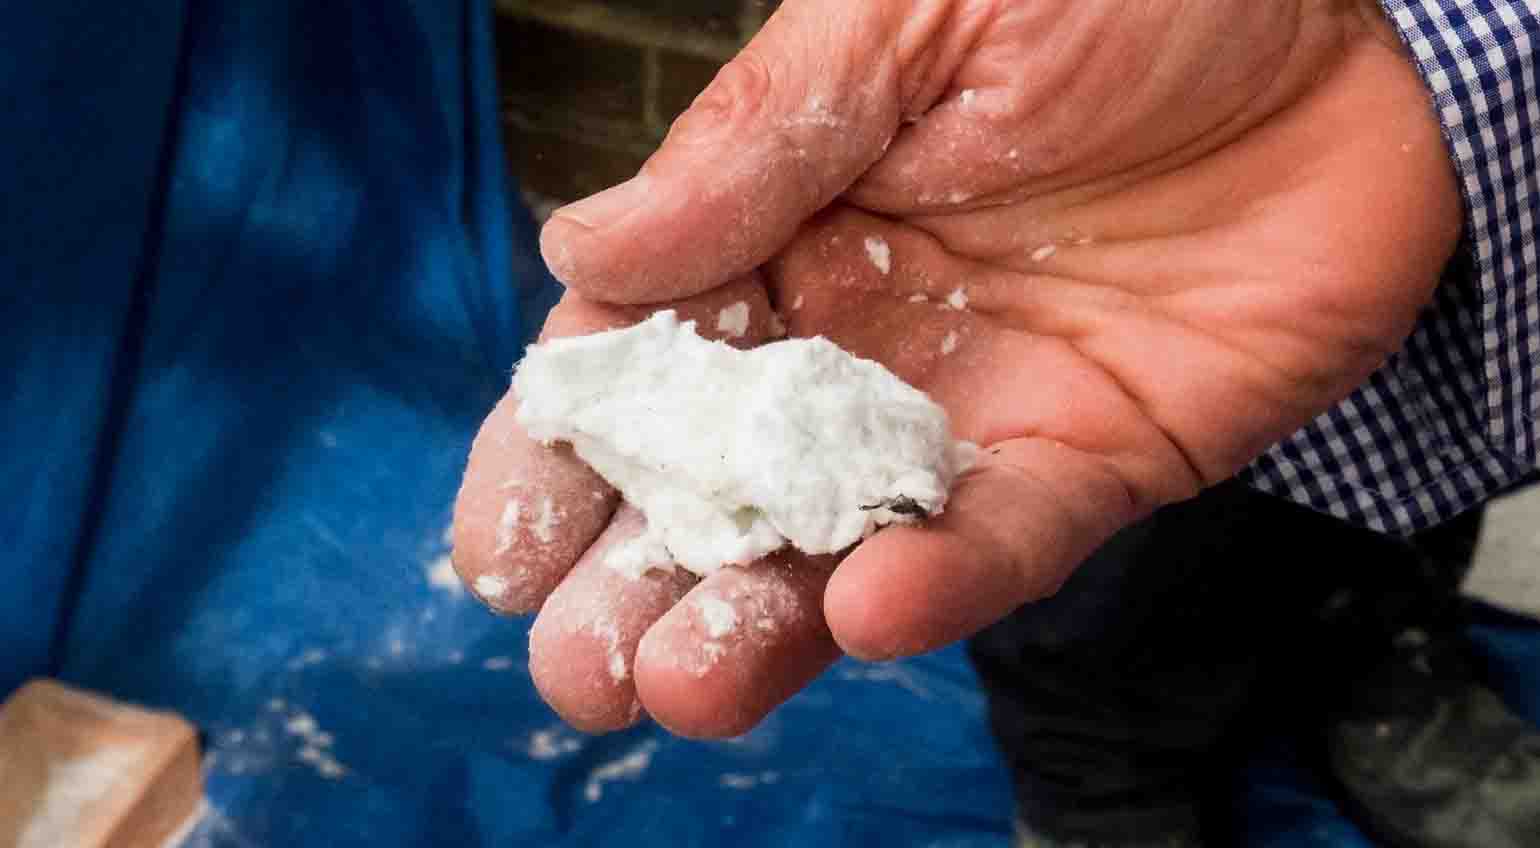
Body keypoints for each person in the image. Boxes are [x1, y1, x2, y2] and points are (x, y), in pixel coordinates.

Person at [451, 0, 1540, 844]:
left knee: (1407, 464)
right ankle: (1097, 797)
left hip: (1472, 192)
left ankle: (1370, 654)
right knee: (1084, 576)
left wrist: (1428, 46)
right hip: (1058, 285)